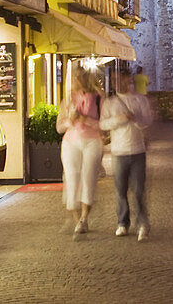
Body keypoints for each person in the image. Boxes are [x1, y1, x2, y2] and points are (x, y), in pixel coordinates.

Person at [100, 68, 154, 241]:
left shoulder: (140, 100)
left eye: (121, 80)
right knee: (120, 190)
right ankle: (123, 223)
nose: (119, 83)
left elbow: (147, 121)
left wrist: (135, 119)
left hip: (137, 150)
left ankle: (142, 223)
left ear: (128, 80)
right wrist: (119, 119)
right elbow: (103, 124)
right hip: (118, 151)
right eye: (116, 80)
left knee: (139, 190)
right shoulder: (110, 103)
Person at [57, 67, 103, 240]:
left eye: (80, 77)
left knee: (88, 178)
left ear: (86, 78)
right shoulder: (68, 99)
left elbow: (103, 124)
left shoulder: (98, 97)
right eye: (75, 78)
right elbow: (59, 127)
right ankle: (78, 221)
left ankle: (84, 218)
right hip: (71, 143)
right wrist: (70, 120)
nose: (77, 80)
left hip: (92, 141)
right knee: (72, 179)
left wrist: (86, 120)